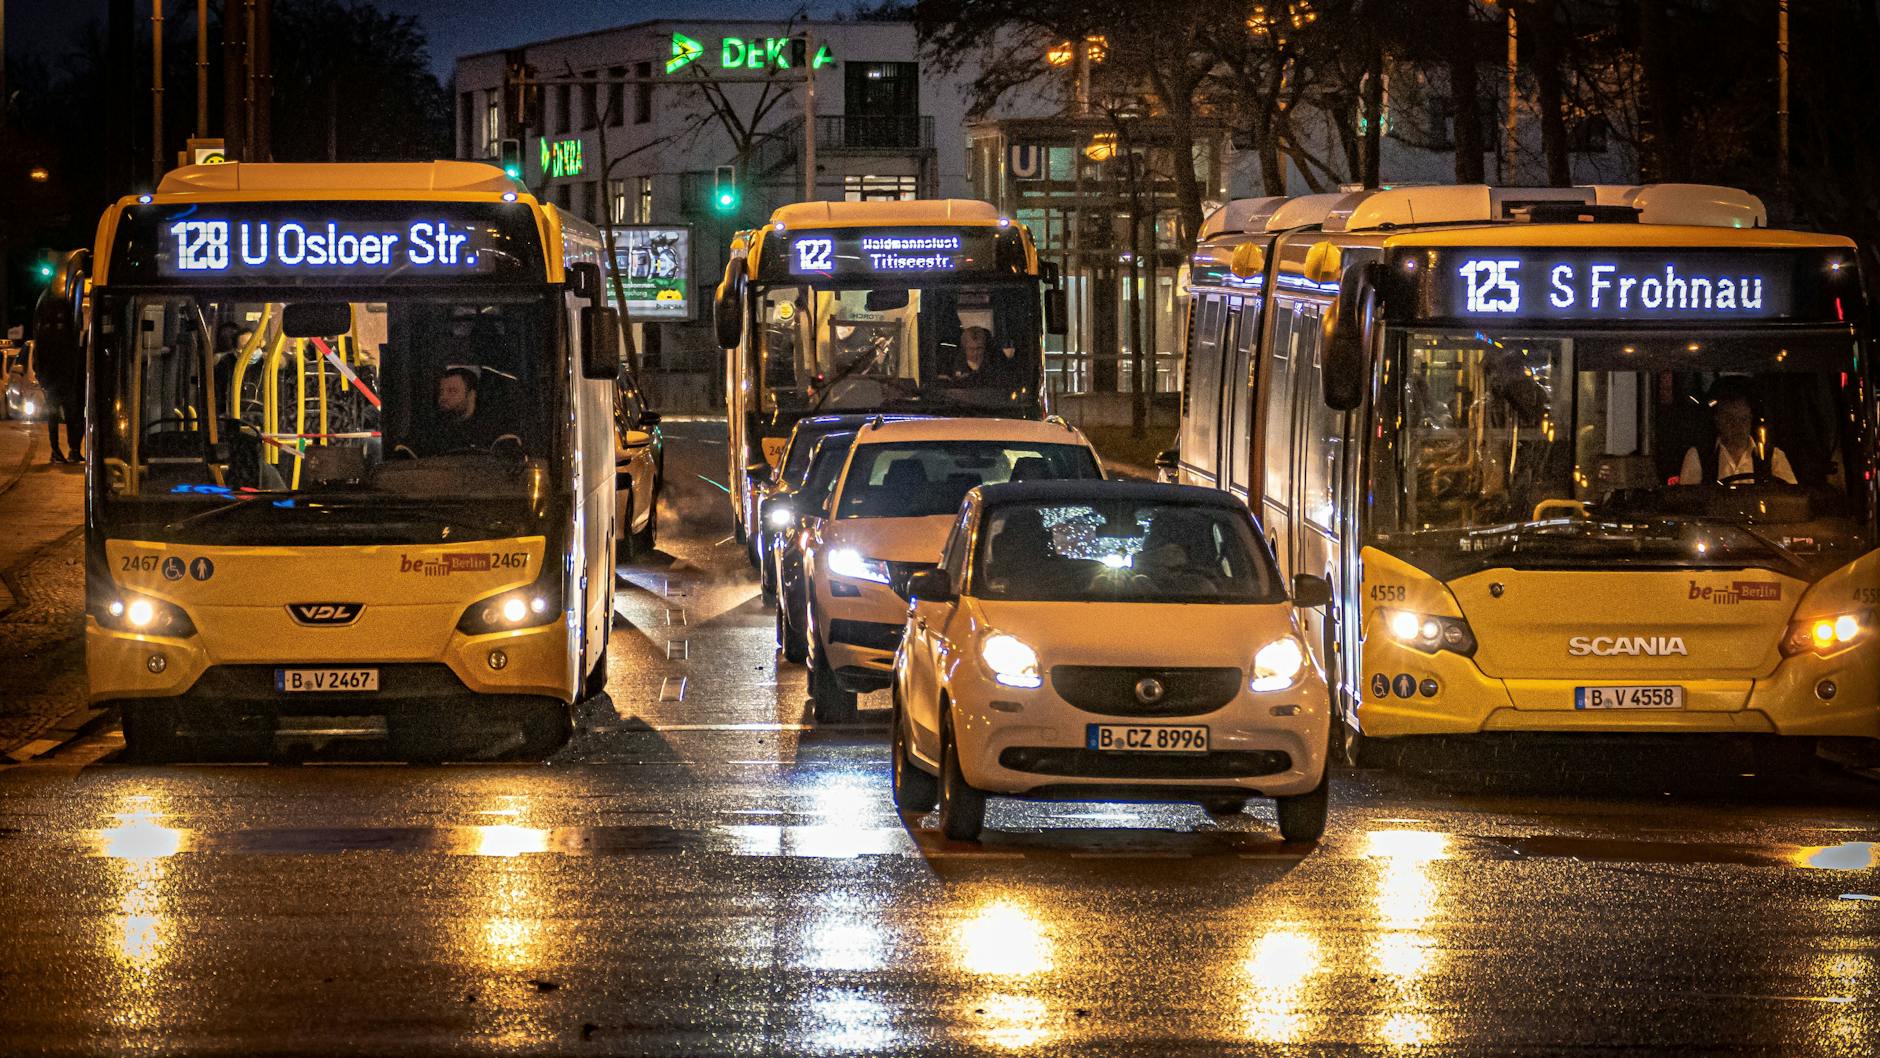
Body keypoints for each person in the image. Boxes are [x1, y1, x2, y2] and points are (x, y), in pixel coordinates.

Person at [1679, 390, 1796, 485]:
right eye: (1730, 419)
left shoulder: (1774, 457)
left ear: (1751, 419)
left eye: (1743, 419)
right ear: (1718, 420)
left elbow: (1791, 503)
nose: (1738, 426)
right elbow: (1687, 505)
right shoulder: (1698, 457)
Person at [422, 366, 510, 454]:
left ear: (471, 395)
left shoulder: (491, 431)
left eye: (452, 391)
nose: (443, 397)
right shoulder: (435, 431)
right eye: (441, 392)